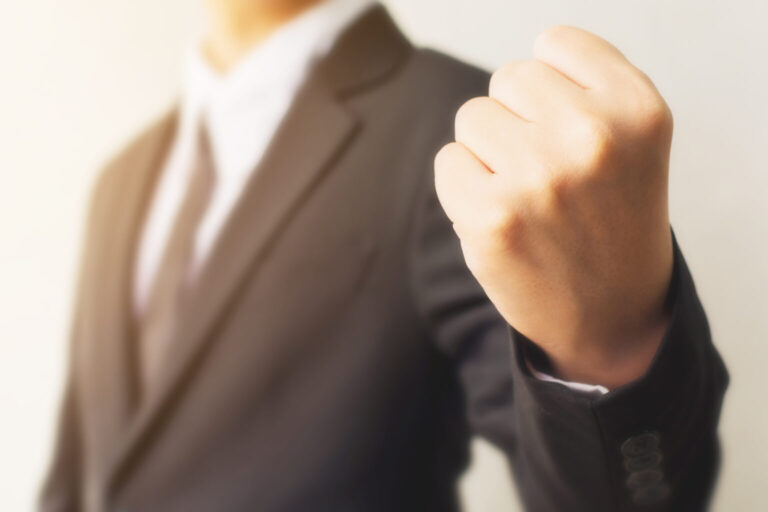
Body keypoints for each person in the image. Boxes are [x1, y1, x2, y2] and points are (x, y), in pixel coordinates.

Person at [39, 0, 728, 510]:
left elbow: (619, 496)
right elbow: (79, 468)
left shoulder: (467, 138)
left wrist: (615, 347)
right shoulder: (121, 181)